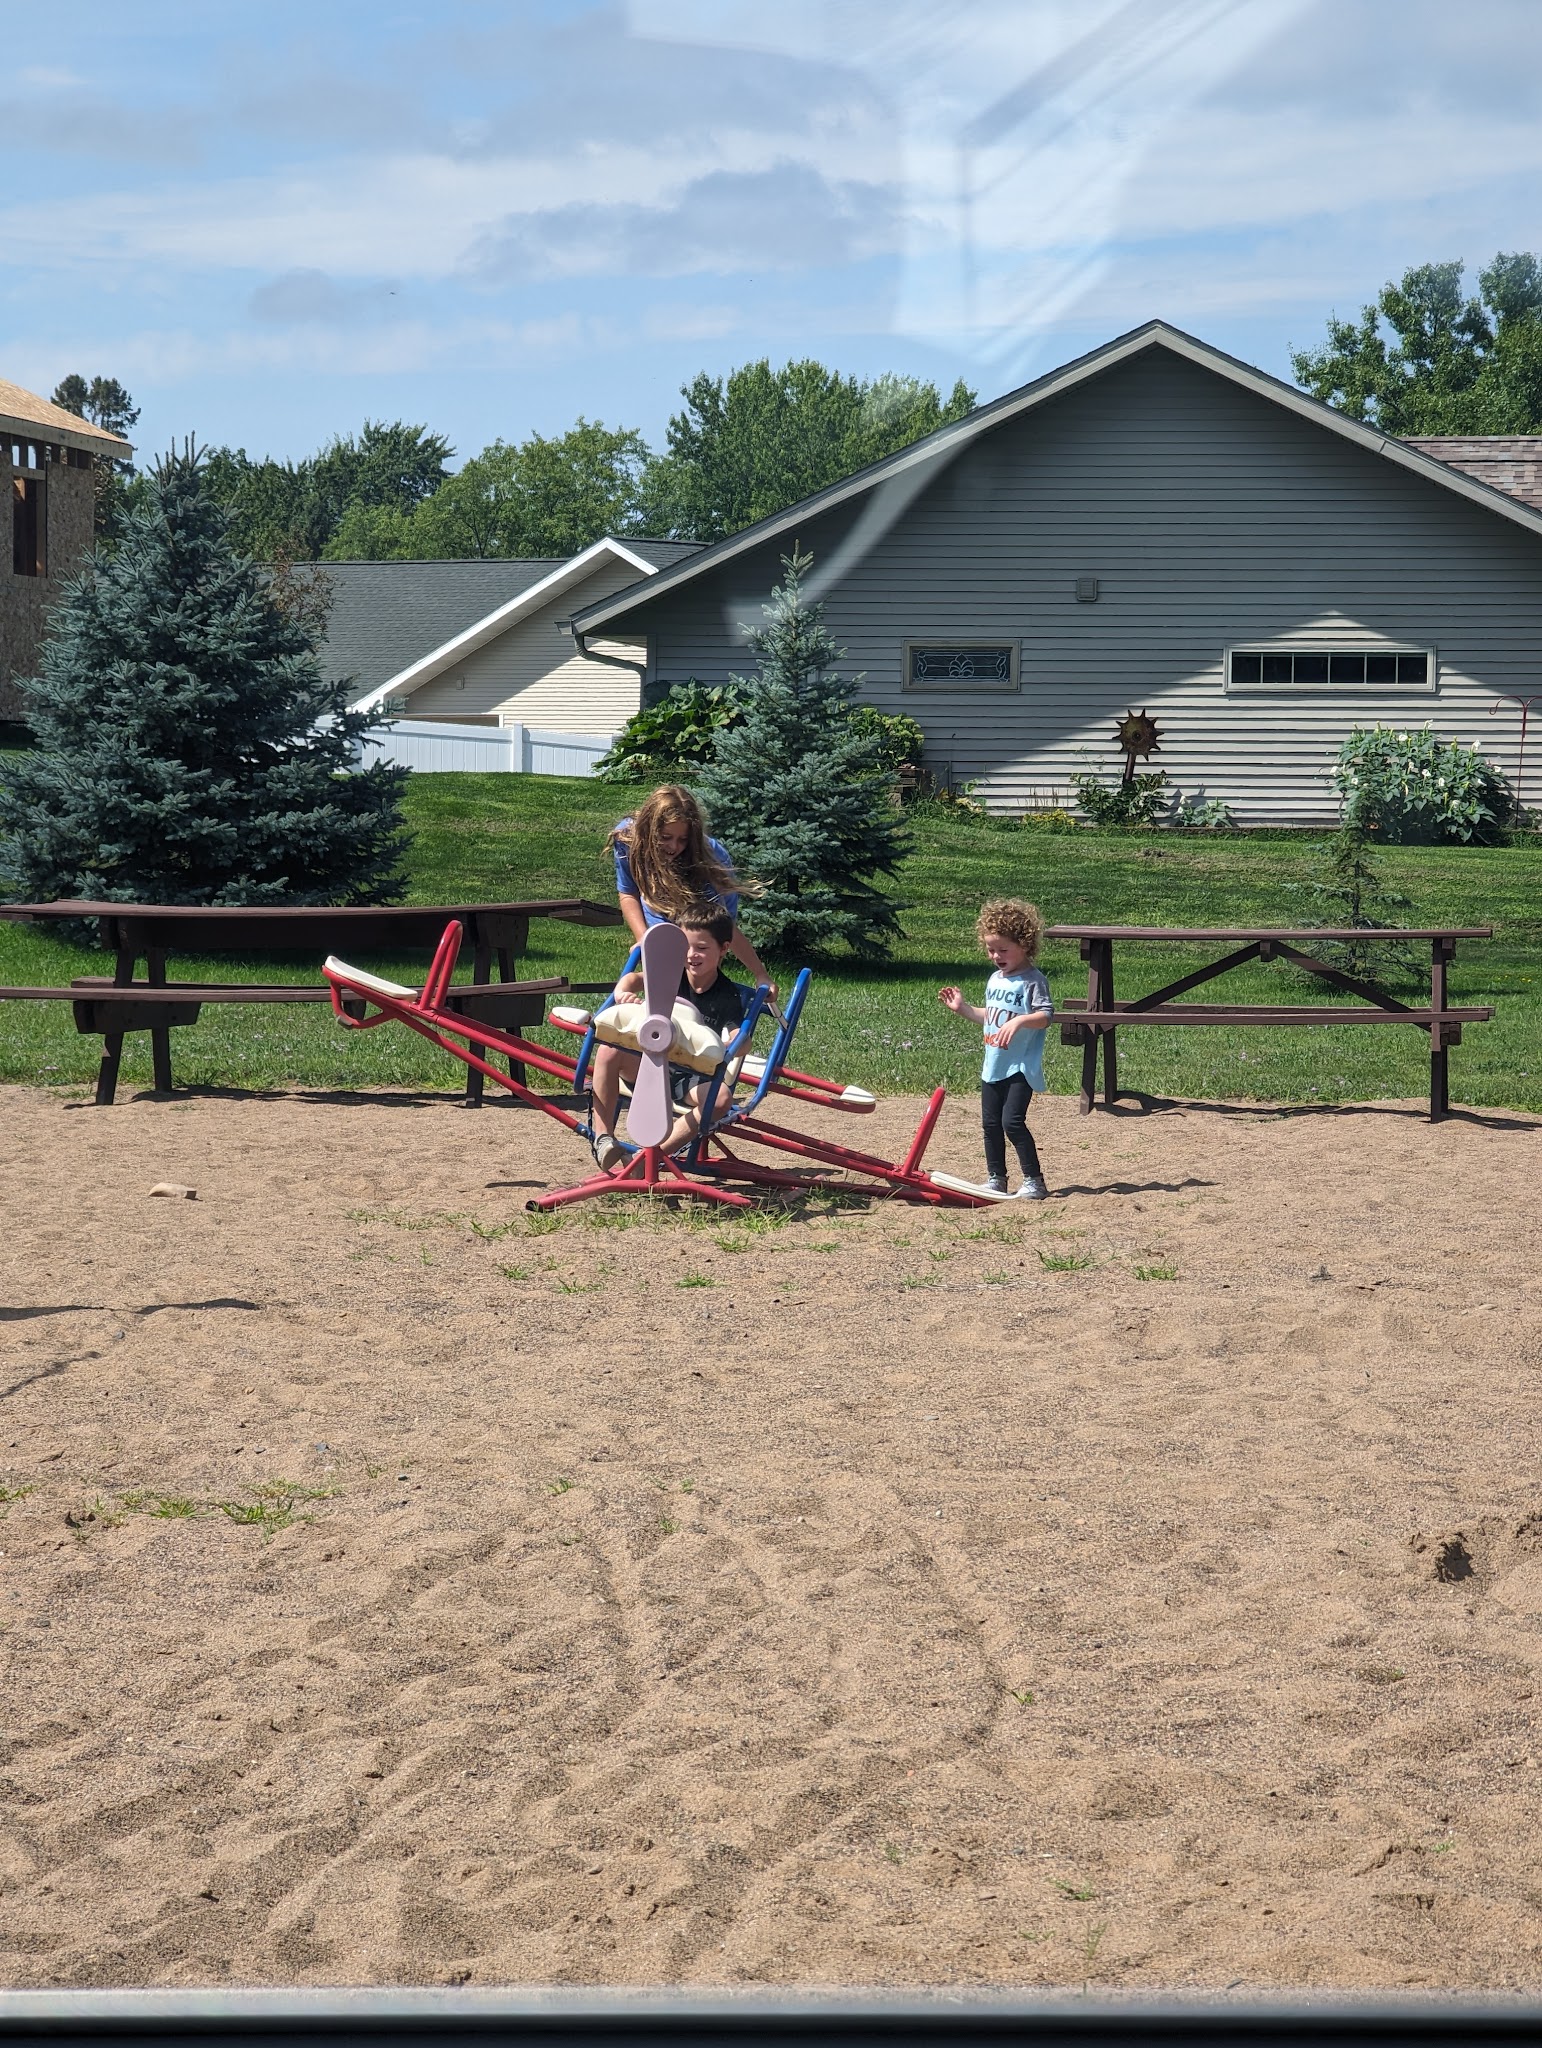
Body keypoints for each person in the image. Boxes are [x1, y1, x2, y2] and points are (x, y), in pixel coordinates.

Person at [589, 908, 752, 1171]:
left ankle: (652, 1158)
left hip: (690, 1075)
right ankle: (603, 1138)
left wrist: (730, 1044)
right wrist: (623, 994)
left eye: (701, 948)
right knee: (609, 1051)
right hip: (650, 1063)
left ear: (723, 949)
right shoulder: (668, 976)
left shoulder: (726, 994)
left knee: (721, 1098)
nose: (691, 955)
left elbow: (740, 1038)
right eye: (685, 947)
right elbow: (632, 979)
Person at [938, 898, 1053, 1199]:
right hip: (993, 1064)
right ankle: (996, 1179)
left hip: (1019, 1067)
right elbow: (991, 1017)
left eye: (1003, 949)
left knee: (1011, 1122)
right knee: (990, 1125)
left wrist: (1019, 1023)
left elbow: (1044, 1017)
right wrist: (963, 1009)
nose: (995, 955)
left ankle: (1034, 1182)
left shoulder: (1033, 980)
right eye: (991, 949)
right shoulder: (995, 979)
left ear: (1025, 944)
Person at [608, 784, 772, 990]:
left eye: (682, 840)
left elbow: (723, 927)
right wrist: (644, 939)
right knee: (663, 988)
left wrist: (760, 974)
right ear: (648, 829)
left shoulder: (710, 858)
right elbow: (628, 892)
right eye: (665, 837)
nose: (674, 847)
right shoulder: (628, 840)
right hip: (660, 913)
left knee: (699, 983)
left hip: (702, 913)